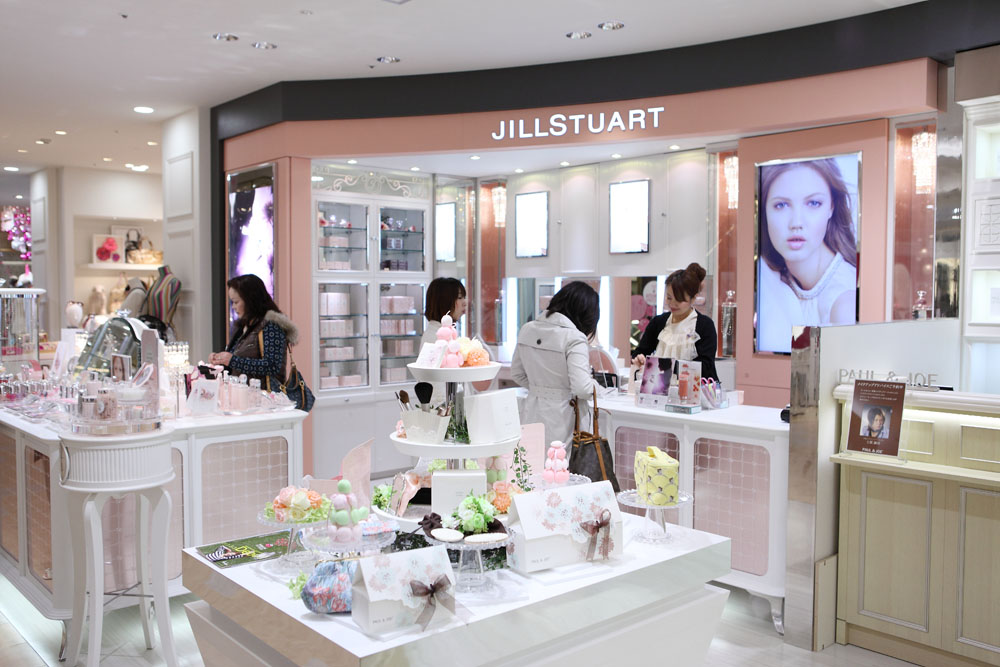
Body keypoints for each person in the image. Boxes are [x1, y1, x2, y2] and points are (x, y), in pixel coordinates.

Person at [758, 158, 858, 352]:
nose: (796, 223)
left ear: (831, 207)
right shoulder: (769, 278)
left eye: (813, 203)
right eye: (781, 205)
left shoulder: (844, 303)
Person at [511, 281, 602, 444]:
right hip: (564, 417)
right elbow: (582, 388)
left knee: (531, 457)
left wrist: (539, 388)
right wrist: (597, 387)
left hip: (532, 412)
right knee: (560, 459)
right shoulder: (574, 338)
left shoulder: (527, 329)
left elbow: (517, 374)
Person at [631, 263, 720, 383]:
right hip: (660, 389)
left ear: (693, 298)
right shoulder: (658, 323)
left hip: (696, 390)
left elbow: (705, 366)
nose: (672, 304)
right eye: (669, 298)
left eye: (679, 299)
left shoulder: (705, 326)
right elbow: (640, 352)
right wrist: (639, 359)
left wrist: (669, 366)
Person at [208, 274, 299, 385]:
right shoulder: (245, 326)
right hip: (245, 392)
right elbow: (236, 360)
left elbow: (272, 366)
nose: (233, 307)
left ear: (250, 300)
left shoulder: (272, 326)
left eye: (236, 302)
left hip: (265, 394)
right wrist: (220, 360)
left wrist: (232, 360)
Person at [420, 277, 467, 348]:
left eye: (464, 297)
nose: (464, 303)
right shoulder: (439, 339)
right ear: (444, 302)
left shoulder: (438, 331)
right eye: (459, 297)